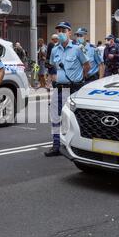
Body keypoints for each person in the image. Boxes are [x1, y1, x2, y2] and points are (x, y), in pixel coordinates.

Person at [45, 21, 90, 157]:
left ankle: (75, 144)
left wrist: (80, 79)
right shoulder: (54, 49)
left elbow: (86, 65)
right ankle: (56, 144)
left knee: (72, 118)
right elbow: (53, 67)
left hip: (74, 88)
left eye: (64, 31)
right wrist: (51, 80)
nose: (61, 33)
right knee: (55, 116)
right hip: (59, 88)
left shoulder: (77, 49)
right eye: (59, 31)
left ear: (69, 33)